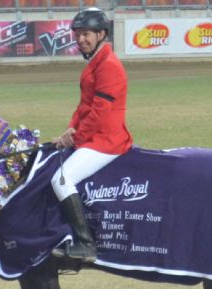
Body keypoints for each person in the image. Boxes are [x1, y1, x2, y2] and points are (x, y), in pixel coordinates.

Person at [51, 8, 133, 263]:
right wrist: (70, 129)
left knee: (62, 180)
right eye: (77, 35)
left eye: (86, 34)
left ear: (101, 34)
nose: (80, 40)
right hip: (93, 136)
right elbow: (84, 106)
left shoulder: (108, 65)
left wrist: (75, 138)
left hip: (107, 141)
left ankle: (86, 246)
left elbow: (98, 113)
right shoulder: (96, 61)